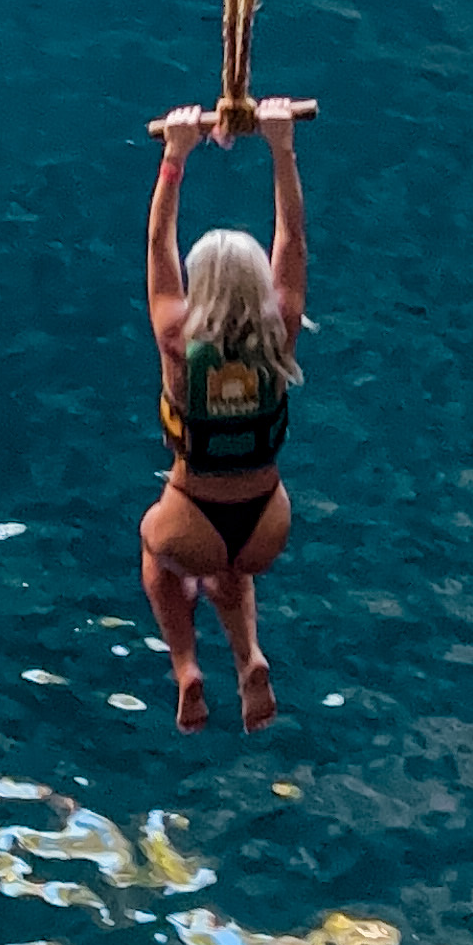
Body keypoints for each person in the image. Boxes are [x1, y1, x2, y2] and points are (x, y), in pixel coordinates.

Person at [141, 97, 305, 733]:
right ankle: (249, 658)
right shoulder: (280, 331)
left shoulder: (178, 340)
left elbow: (159, 245)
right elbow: (291, 236)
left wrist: (175, 158)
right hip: (266, 520)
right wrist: (281, 149)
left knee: (161, 554)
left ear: (198, 285)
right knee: (229, 573)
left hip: (193, 513)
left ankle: (186, 668)